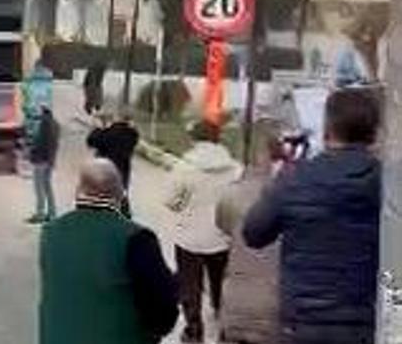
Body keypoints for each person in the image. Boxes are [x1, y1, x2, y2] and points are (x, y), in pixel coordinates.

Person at [243, 87, 381, 344]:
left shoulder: (295, 178)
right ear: (373, 132)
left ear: (328, 127)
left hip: (301, 322)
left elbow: (253, 233)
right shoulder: (388, 184)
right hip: (364, 322)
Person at [40, 159, 179, 344]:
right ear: (120, 194)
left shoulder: (51, 233)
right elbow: (162, 307)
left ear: (78, 191)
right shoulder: (136, 238)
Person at [164, 121, 242, 343]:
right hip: (222, 235)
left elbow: (170, 200)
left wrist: (181, 205)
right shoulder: (234, 168)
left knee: (190, 285)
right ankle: (221, 317)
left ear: (194, 138)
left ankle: (194, 328)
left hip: (190, 236)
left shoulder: (185, 166)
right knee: (220, 280)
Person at [215, 134, 287, 344]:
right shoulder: (291, 197)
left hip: (235, 298)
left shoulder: (231, 194)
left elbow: (223, 225)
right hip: (274, 304)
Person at [87, 113, 140, 190]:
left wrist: (98, 128)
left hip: (104, 173)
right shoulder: (132, 135)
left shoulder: (106, 134)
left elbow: (91, 141)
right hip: (121, 175)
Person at [26, 105, 60, 223]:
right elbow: (53, 144)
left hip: (41, 160)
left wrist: (31, 152)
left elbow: (41, 143)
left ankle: (40, 214)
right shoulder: (55, 124)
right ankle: (52, 213)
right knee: (47, 187)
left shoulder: (45, 124)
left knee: (39, 188)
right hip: (49, 160)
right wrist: (52, 160)